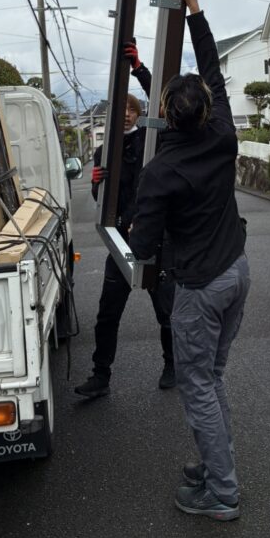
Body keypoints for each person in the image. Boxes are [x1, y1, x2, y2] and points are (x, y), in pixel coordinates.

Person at [129, 0, 250, 522]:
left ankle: (222, 492)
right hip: (236, 272)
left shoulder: (161, 170)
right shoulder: (222, 134)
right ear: (203, 108)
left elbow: (144, 245)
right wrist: (195, 9)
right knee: (212, 377)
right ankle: (213, 461)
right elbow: (214, 73)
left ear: (164, 116)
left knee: (198, 384)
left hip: (200, 289)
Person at [74, 41, 175, 399]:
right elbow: (102, 203)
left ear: (139, 113)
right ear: (113, 116)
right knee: (107, 314)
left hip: (155, 239)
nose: (129, 114)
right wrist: (96, 186)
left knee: (167, 310)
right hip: (119, 240)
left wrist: (140, 70)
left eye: (133, 109)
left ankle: (172, 364)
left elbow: (167, 104)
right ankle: (101, 375)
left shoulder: (153, 139)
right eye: (123, 110)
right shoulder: (105, 150)